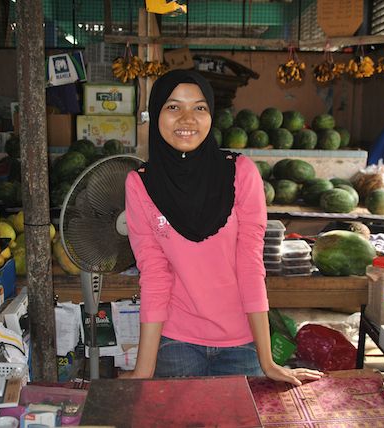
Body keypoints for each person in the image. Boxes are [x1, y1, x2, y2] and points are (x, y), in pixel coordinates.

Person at [124, 69, 323, 386]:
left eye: (199, 107)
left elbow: (250, 266)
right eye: (174, 107)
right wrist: (142, 371)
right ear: (156, 112)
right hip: (176, 341)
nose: (187, 118)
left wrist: (267, 360)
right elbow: (154, 274)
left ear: (211, 115)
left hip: (241, 343)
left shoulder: (240, 173)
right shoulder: (140, 185)